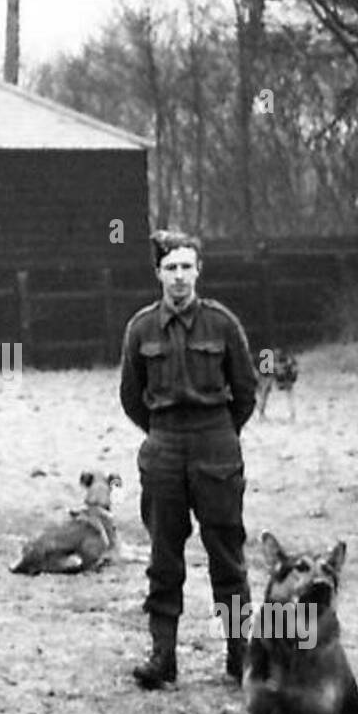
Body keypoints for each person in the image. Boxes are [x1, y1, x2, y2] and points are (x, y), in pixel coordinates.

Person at [119, 230, 258, 688]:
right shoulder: (140, 329)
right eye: (170, 267)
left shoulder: (222, 324)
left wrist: (218, 432)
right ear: (158, 273)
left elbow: (245, 390)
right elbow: (131, 397)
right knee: (164, 557)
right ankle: (163, 658)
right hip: (164, 446)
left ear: (199, 270)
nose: (179, 277)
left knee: (227, 556)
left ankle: (241, 655)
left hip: (215, 443)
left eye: (186, 267)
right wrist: (165, 434)